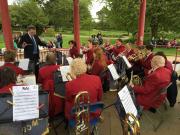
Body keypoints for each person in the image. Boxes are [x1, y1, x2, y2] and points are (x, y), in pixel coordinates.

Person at [38, 52, 64, 117]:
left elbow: (39, 81)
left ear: (46, 60)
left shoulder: (41, 70)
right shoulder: (60, 68)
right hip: (59, 92)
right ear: (55, 60)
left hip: (47, 94)